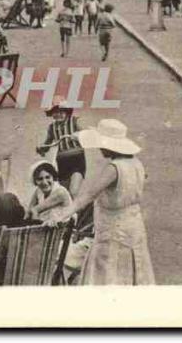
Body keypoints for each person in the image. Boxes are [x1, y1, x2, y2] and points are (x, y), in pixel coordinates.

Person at [47, 119, 155, 286]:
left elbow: (88, 195)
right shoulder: (136, 163)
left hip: (113, 230)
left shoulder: (114, 168)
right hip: (133, 225)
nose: (99, 149)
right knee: (133, 269)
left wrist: (62, 214)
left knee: (108, 273)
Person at [36, 96, 86, 198]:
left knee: (73, 191)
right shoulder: (52, 127)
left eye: (61, 111)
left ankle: (78, 210)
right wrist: (42, 148)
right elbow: (48, 143)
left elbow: (86, 134)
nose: (58, 114)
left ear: (67, 111)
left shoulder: (75, 121)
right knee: (64, 193)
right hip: (62, 163)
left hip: (77, 161)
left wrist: (79, 135)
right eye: (55, 112)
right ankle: (70, 213)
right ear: (52, 114)